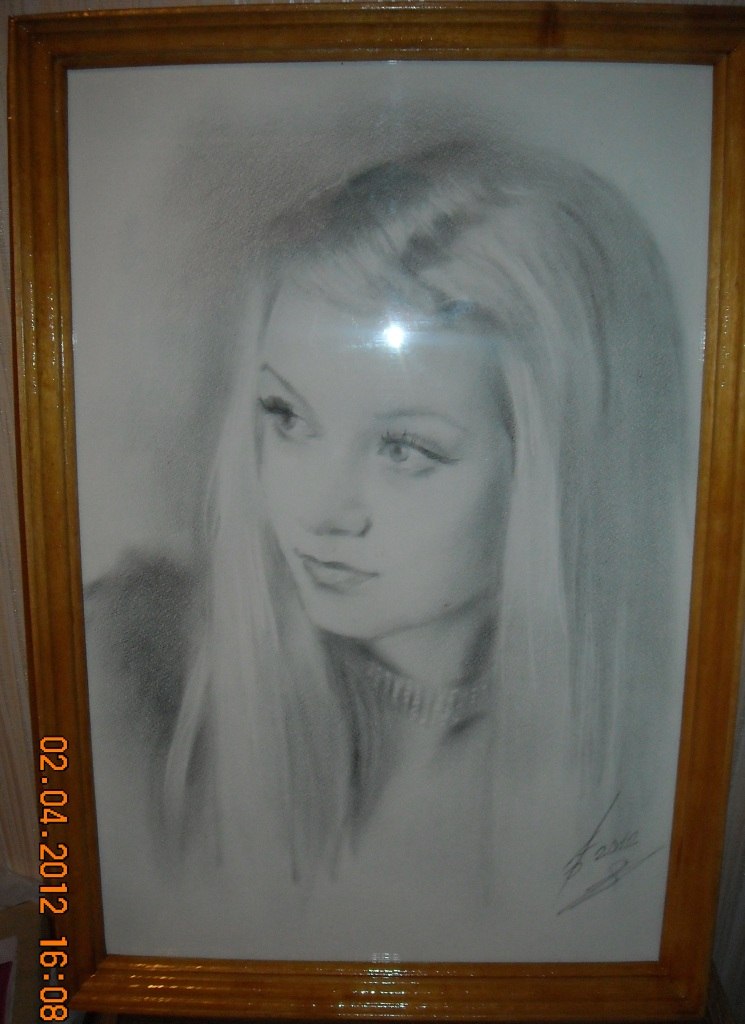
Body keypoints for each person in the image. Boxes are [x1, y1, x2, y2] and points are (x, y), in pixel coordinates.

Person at [88, 136, 693, 962]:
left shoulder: (651, 758)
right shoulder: (123, 668)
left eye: (404, 448)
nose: (316, 509)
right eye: (287, 416)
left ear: (556, 474)